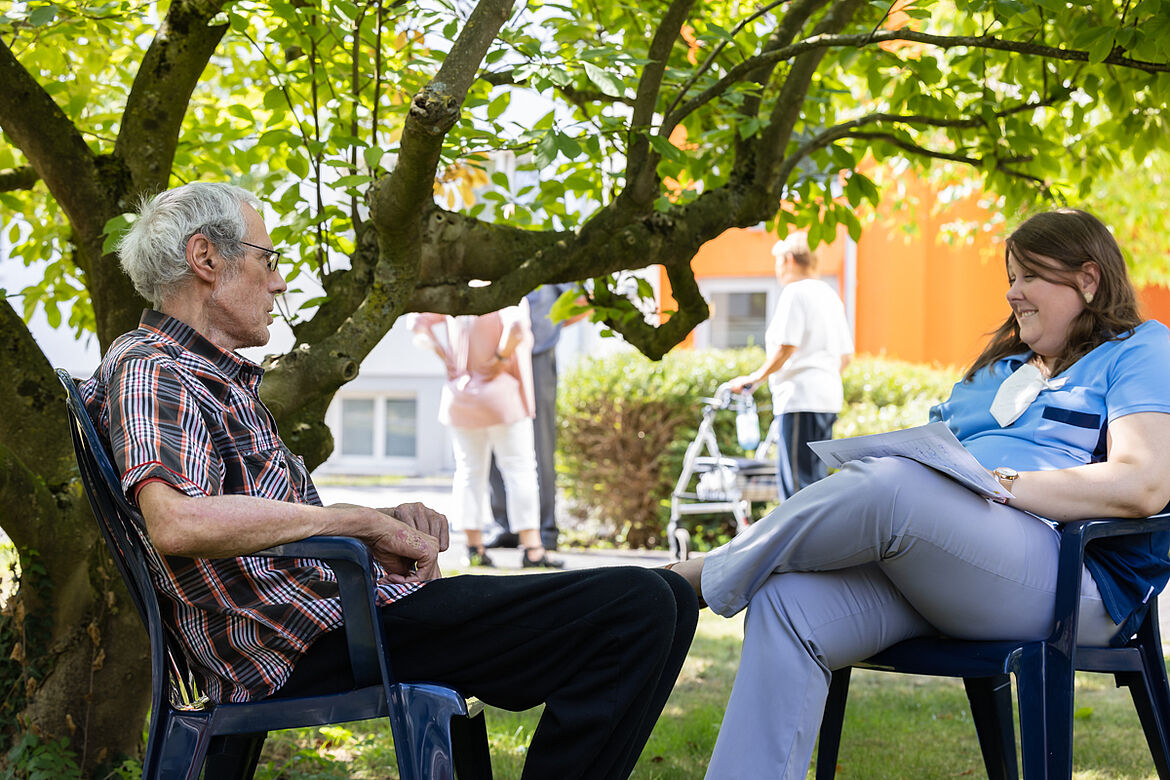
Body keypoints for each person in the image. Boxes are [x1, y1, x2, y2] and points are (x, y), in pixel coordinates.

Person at [79, 182, 698, 779]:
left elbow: (254, 515)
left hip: (340, 617)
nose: (280, 280)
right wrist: (354, 523)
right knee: (637, 608)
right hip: (307, 643)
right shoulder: (152, 370)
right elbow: (177, 521)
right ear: (206, 258)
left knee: (662, 603)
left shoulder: (205, 376)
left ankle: (689, 582)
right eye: (267, 259)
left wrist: (382, 527)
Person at [670, 209, 1170, 779]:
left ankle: (693, 581)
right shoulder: (994, 371)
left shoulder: (1139, 349)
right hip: (954, 570)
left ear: (1087, 279)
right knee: (789, 603)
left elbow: (1143, 482)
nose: (1012, 293)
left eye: (1029, 276)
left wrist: (1002, 486)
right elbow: (935, 459)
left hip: (1068, 578)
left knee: (897, 486)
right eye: (1010, 278)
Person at [409, 305, 561, 568]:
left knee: (469, 472)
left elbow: (416, 323)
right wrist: (502, 357)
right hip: (502, 396)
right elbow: (516, 327)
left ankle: (473, 547)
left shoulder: (457, 295)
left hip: (461, 396)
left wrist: (441, 352)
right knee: (520, 470)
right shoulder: (506, 291)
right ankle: (533, 549)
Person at [729, 232, 854, 499]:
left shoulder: (795, 292)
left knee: (797, 489)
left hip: (800, 398)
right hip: (828, 398)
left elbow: (787, 347)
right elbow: (846, 357)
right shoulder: (830, 295)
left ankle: (803, 542)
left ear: (788, 259)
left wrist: (755, 378)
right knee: (815, 483)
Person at [486, 283, 585, 551]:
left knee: (540, 445)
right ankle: (506, 526)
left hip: (537, 354)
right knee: (491, 442)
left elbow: (582, 303)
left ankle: (545, 530)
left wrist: (547, 330)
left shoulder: (552, 248)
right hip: (495, 358)